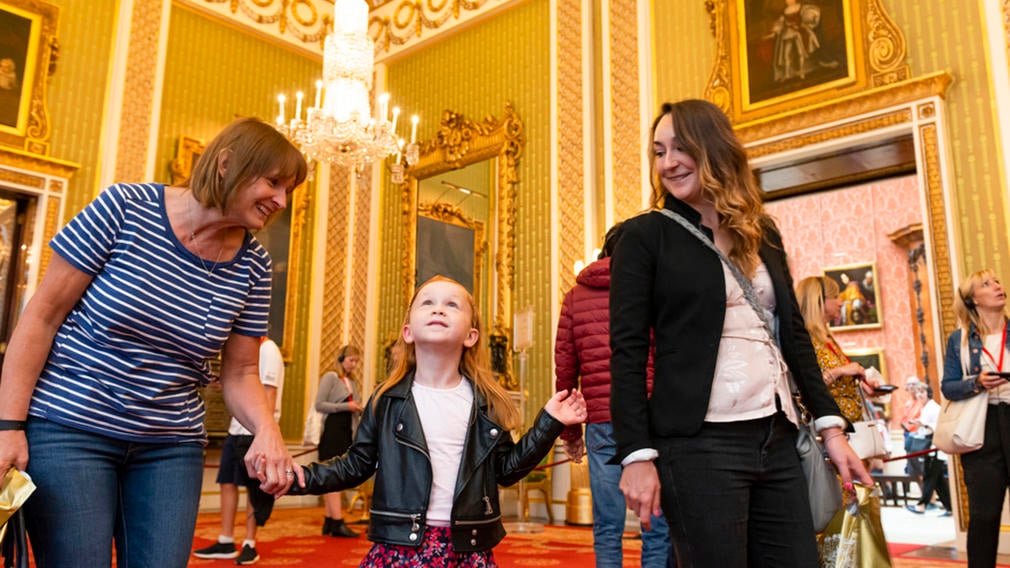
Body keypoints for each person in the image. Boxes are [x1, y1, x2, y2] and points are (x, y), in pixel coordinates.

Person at [0, 116, 308, 568]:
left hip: (170, 444)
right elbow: (41, 317)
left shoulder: (255, 266)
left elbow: (240, 370)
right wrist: (8, 426)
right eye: (274, 182)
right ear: (226, 164)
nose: (282, 200)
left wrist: (268, 429)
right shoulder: (125, 206)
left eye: (289, 190)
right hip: (71, 429)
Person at [609, 99, 872, 567]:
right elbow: (626, 353)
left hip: (777, 434)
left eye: (681, 147)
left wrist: (831, 430)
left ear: (715, 148)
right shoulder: (645, 235)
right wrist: (635, 455)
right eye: (658, 151)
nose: (668, 163)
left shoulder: (762, 232)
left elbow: (793, 335)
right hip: (697, 444)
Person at [283, 275, 587, 566]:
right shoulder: (387, 399)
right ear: (408, 332)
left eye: (452, 305)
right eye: (427, 302)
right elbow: (356, 464)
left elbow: (505, 471)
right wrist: (297, 478)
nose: (439, 308)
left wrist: (550, 422)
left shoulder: (485, 403)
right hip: (401, 545)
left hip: (466, 546)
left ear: (471, 336)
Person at [554, 222, 672, 567]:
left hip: (602, 421)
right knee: (656, 523)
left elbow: (565, 369)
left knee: (607, 525)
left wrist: (571, 432)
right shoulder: (651, 288)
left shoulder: (575, 297)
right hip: (651, 418)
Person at [194, 336, 286, 564]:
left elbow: (269, 394)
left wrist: (263, 435)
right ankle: (225, 540)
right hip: (236, 430)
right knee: (227, 482)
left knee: (254, 490)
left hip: (254, 433)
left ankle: (249, 542)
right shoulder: (246, 351)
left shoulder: (269, 351)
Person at [940, 269, 1010, 565]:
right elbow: (948, 386)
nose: (997, 286)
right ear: (972, 300)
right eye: (987, 284)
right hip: (982, 429)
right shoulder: (959, 340)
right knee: (984, 514)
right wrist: (976, 382)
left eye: (996, 281)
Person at [316, 344, 364, 538]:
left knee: (335, 474)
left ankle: (329, 520)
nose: (353, 365)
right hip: (333, 429)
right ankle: (337, 521)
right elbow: (319, 404)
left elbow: (356, 403)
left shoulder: (352, 381)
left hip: (346, 430)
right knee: (333, 475)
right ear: (341, 358)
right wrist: (347, 406)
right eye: (351, 360)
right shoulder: (330, 377)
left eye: (356, 361)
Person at [906, 385, 950, 516]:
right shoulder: (926, 408)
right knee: (938, 480)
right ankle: (950, 507)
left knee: (929, 477)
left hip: (935, 448)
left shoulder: (934, 407)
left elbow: (939, 427)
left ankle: (921, 505)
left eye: (922, 392)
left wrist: (923, 425)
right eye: (918, 392)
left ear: (928, 393)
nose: (919, 395)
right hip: (929, 448)